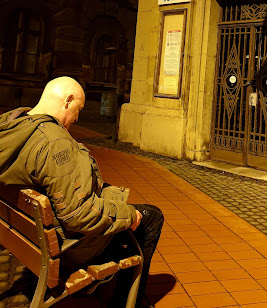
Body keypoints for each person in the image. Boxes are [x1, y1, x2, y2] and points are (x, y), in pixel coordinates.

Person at [0, 76, 163, 307]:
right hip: (61, 247)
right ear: (67, 101)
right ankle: (125, 301)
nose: (77, 118)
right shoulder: (54, 142)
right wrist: (127, 215)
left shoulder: (11, 124)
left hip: (27, 236)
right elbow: (77, 215)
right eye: (78, 109)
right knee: (150, 217)